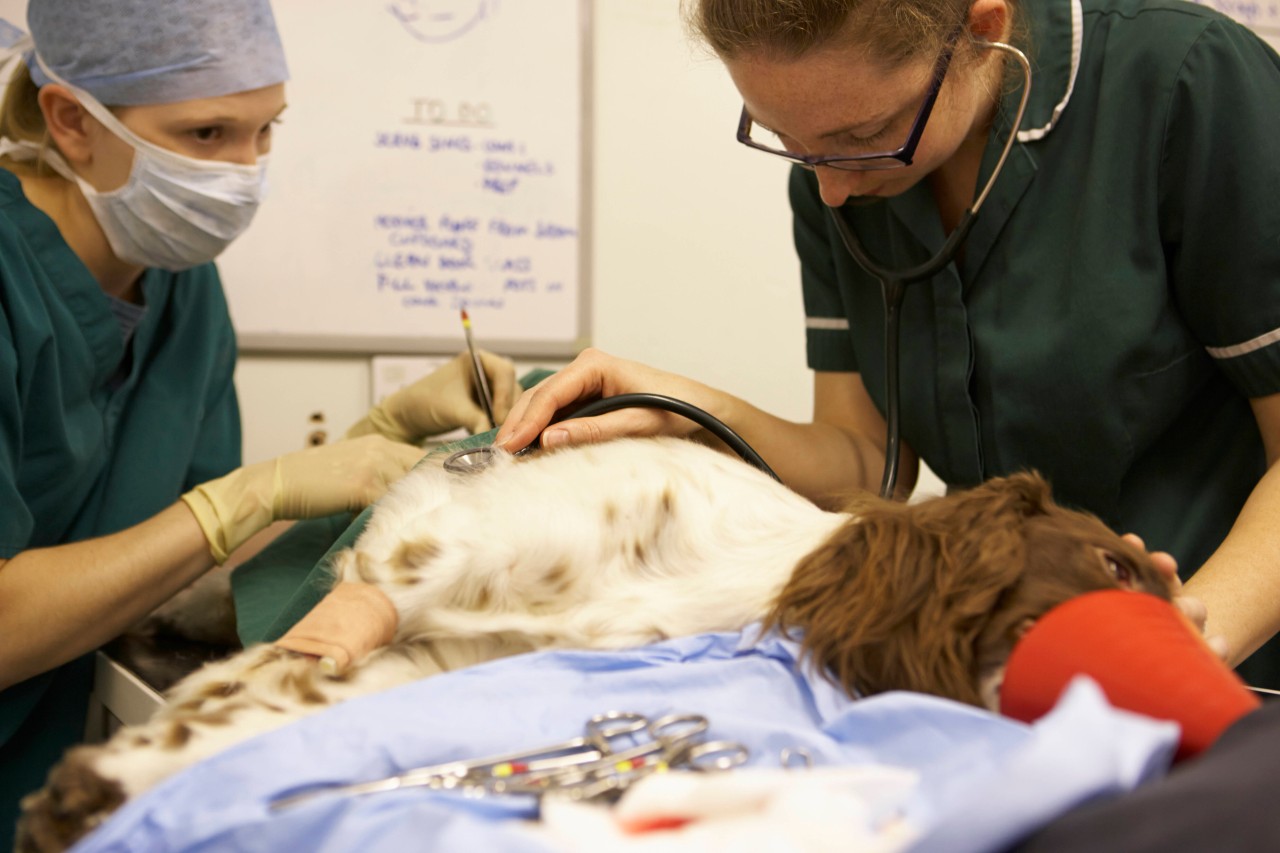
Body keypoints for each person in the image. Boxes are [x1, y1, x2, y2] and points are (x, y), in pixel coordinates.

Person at [498, 0, 1280, 686]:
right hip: (1011, 666)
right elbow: (869, 462)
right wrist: (687, 411)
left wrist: (1183, 644)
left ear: (984, 31)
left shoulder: (1185, 85)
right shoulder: (835, 170)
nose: (831, 188)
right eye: (786, 139)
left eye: (865, 134)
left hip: (1236, 661)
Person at [0, 0, 516, 839]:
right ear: (72, 121)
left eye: (265, 130)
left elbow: (175, 552)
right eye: (206, 135)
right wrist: (249, 494)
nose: (244, 172)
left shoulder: (177, 280)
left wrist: (374, 438)